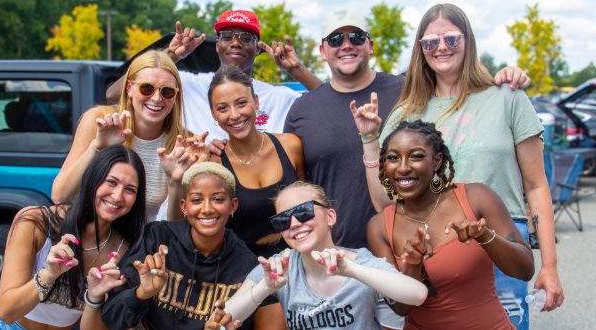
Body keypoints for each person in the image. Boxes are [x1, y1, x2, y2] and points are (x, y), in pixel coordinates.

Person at [353, 3, 563, 329]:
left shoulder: (507, 96)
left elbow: (536, 185)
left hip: (501, 238)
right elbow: (387, 203)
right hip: (437, 246)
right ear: (420, 49)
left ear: (468, 41)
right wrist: (369, 140)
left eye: (451, 39)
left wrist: (549, 265)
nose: (441, 48)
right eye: (430, 42)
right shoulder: (407, 112)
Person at [283, 8, 530, 249]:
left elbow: (454, 83)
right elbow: (297, 185)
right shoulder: (302, 109)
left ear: (370, 45)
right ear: (322, 51)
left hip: (410, 242)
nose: (346, 45)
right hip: (335, 248)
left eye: (356, 37)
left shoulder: (409, 92)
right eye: (336, 39)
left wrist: (508, 75)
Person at [366, 120, 534, 329]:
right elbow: (400, 308)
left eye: (416, 156)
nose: (403, 167)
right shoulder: (380, 227)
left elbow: (525, 270)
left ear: (437, 161)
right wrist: (414, 264)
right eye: (393, 158)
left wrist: (485, 236)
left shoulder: (476, 197)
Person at [218, 181, 428, 329]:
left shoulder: (360, 262)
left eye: (303, 212)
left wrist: (350, 270)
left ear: (330, 216)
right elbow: (223, 318)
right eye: (283, 221)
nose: (294, 224)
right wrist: (266, 287)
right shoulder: (281, 267)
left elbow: (417, 295)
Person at [101, 162, 278, 330]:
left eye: (217, 199)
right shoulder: (157, 237)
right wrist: (142, 293)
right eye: (197, 200)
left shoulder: (246, 266)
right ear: (184, 207)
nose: (207, 209)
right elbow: (111, 317)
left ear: (232, 206)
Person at [108, 10, 323, 142]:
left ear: (258, 49)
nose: (236, 42)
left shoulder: (279, 97)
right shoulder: (187, 84)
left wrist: (296, 70)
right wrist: (170, 56)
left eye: (246, 38)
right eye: (227, 36)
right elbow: (114, 95)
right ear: (217, 44)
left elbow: (333, 105)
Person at [0, 145, 147, 330]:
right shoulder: (35, 222)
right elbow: (6, 312)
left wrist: (94, 296)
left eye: (130, 190)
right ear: (92, 179)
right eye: (111, 182)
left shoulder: (124, 250)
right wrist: (48, 275)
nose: (117, 196)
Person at [52, 50, 200, 222]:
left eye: (167, 92)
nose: (157, 98)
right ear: (129, 88)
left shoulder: (183, 142)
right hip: (92, 240)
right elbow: (59, 196)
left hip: (142, 245)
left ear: (176, 96)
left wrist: (176, 182)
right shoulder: (100, 121)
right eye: (147, 88)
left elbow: (179, 227)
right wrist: (97, 147)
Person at [207, 65, 306, 258]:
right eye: (222, 108)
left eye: (241, 103)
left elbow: (311, 204)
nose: (234, 115)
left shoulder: (290, 145)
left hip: (298, 258)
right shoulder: (213, 164)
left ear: (256, 101)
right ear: (213, 114)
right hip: (244, 267)